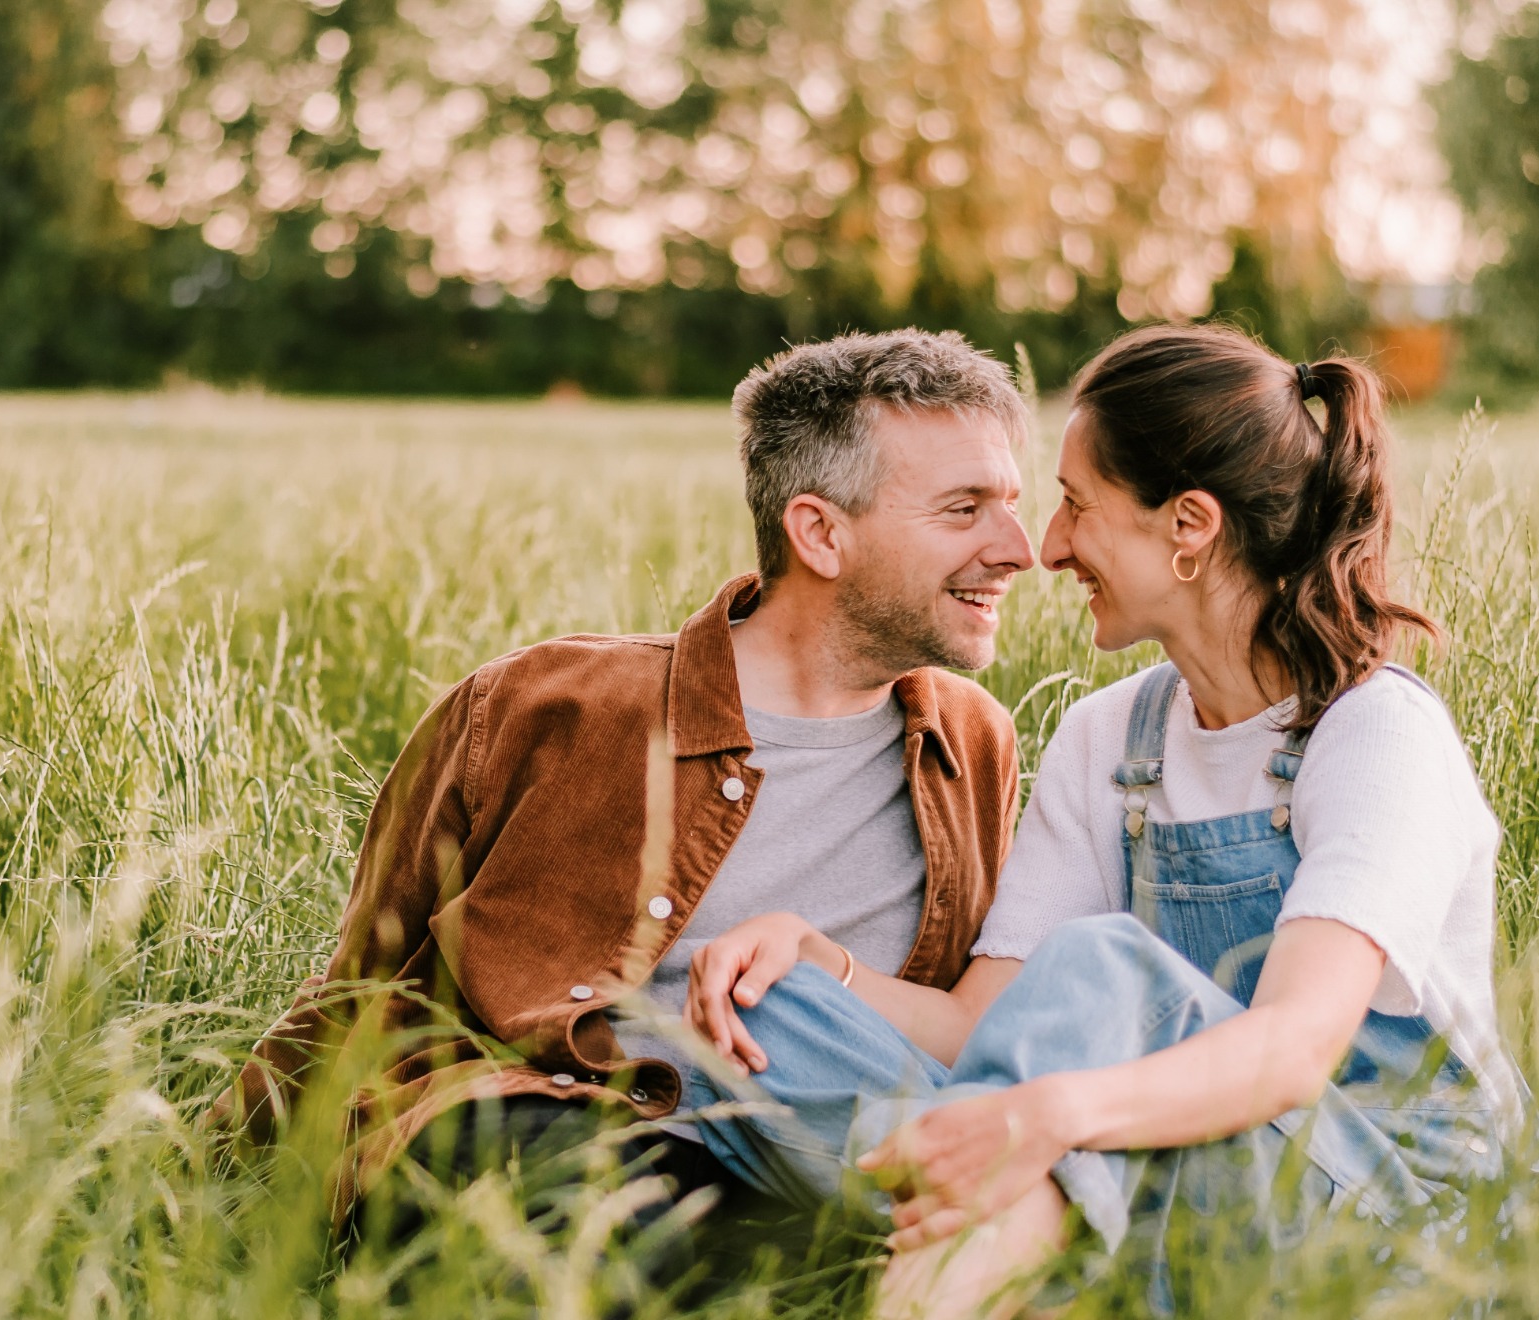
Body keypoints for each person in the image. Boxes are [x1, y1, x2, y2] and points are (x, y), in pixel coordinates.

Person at [680, 323, 1539, 1317]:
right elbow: (980, 1029)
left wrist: (1046, 1115)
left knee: (1102, 971)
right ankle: (1022, 1226)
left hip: (1392, 1222)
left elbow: (1293, 1048)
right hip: (1160, 1152)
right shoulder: (1110, 739)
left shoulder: (1373, 736)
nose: (1046, 549)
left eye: (1074, 506)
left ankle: (965, 1253)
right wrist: (816, 958)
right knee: (766, 1016)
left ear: (1188, 526)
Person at [209, 328, 1038, 1250]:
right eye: (965, 510)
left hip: (811, 1165)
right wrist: (201, 1183)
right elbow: (364, 983)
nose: (1019, 548)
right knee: (519, 1172)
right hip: (556, 1132)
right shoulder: (538, 706)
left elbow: (965, 1026)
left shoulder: (970, 743)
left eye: (1011, 504)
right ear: (819, 533)